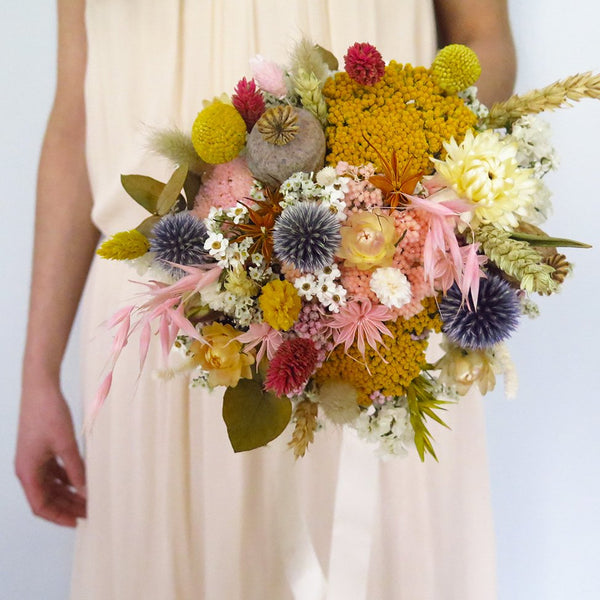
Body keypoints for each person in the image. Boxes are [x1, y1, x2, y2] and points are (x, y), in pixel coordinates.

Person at [16, 1, 516, 598]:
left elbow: (482, 37)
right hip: (161, 327)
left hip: (371, 292)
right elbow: (78, 116)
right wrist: (38, 372)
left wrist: (394, 164)